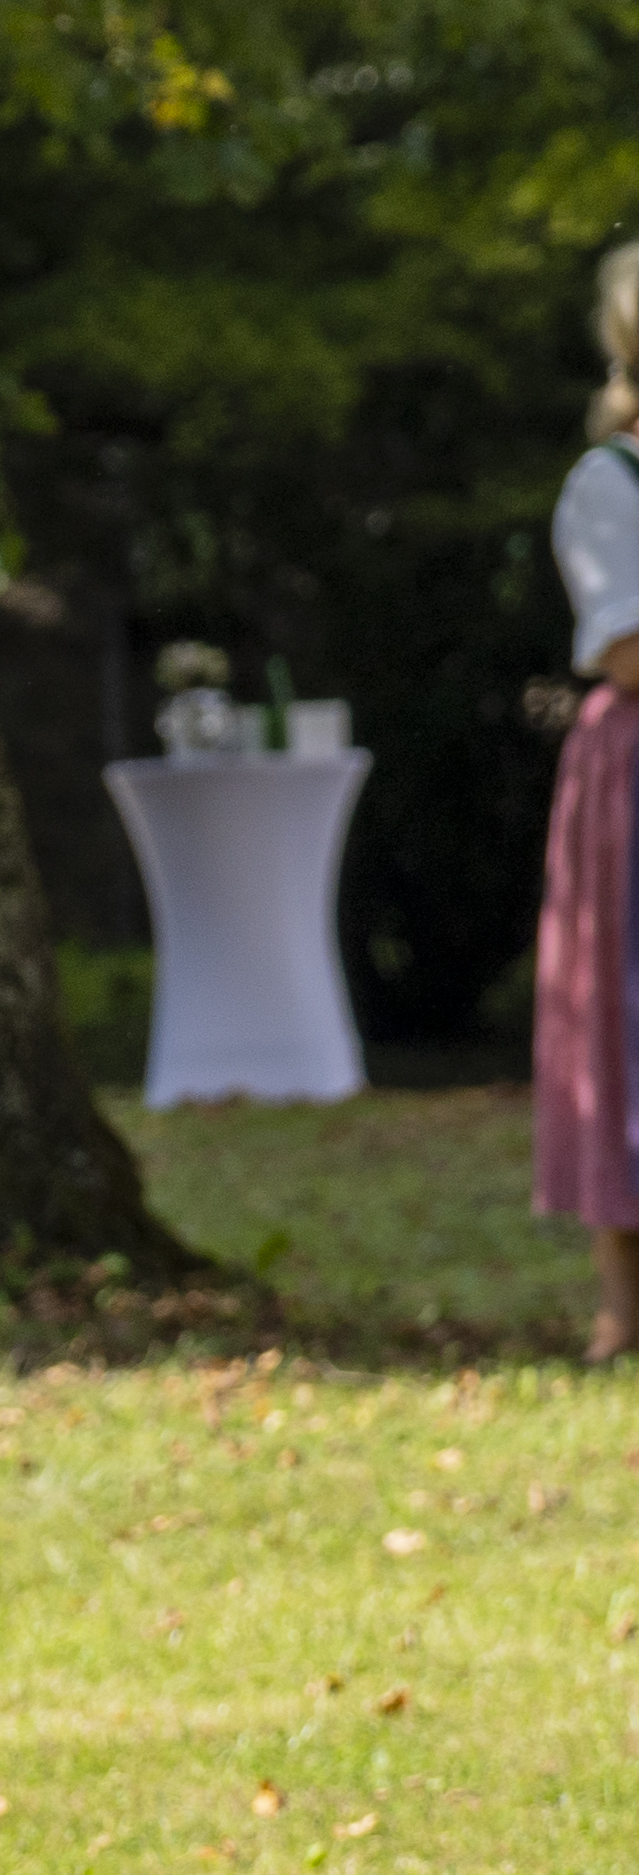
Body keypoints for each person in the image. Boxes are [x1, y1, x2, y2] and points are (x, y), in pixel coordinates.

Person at [537, 238, 639, 1363]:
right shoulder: (610, 481)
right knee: (627, 1016)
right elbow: (626, 649)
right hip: (635, 780)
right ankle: (624, 1301)